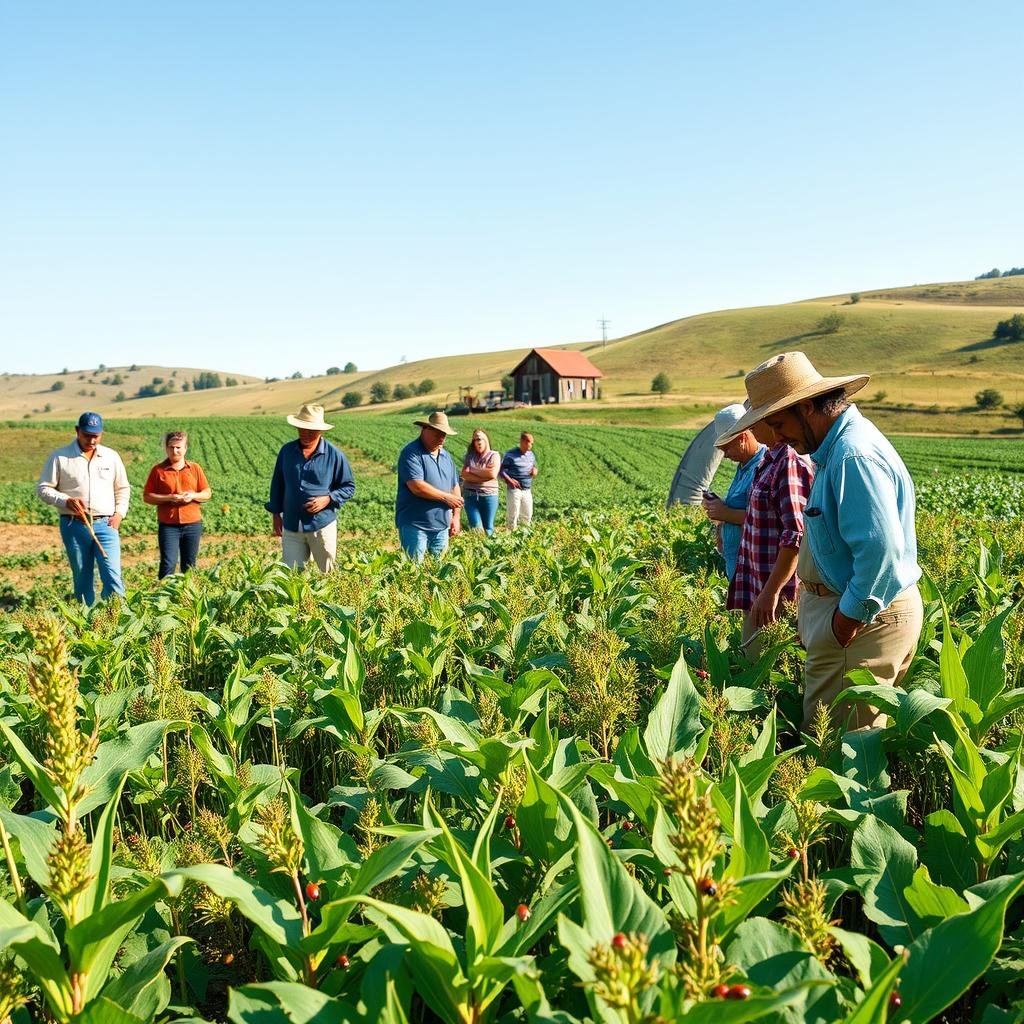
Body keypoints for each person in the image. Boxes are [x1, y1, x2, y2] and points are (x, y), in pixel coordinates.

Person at [739, 351, 923, 731]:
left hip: (861, 623)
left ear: (807, 407)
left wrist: (843, 622)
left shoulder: (852, 455)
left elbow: (881, 553)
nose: (777, 437)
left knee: (836, 752)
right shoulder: (838, 449)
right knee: (858, 745)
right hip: (862, 619)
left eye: (779, 423)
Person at [713, 414, 813, 660]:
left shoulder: (789, 463)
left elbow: (794, 535)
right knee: (752, 659)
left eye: (754, 424)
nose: (753, 430)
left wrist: (771, 592)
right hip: (758, 586)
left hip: (774, 593)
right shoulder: (769, 461)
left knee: (768, 664)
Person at [37, 411, 130, 604]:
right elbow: (44, 488)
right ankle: (86, 622)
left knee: (112, 575)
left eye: (96, 435)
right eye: (87, 435)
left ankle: (117, 619)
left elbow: (122, 488)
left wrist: (119, 515)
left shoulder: (111, 457)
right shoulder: (60, 457)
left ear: (101, 434)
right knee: (82, 577)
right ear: (77, 431)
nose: (92, 440)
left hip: (106, 525)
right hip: (74, 525)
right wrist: (65, 501)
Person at [266, 404, 355, 572]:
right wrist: (276, 514)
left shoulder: (334, 455)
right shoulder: (287, 451)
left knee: (327, 573)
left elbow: (348, 486)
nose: (306, 434)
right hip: (291, 524)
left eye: (311, 430)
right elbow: (278, 483)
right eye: (302, 429)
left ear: (321, 431)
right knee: (291, 575)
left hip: (321, 525)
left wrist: (328, 499)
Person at [701, 404, 766, 585]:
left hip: (755, 571)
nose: (726, 455)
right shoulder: (744, 466)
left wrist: (725, 513)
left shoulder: (763, 465)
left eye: (727, 448)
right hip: (740, 566)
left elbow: (767, 519)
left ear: (742, 438)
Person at [143, 430, 212, 578]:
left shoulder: (195, 468)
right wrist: (169, 498)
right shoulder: (158, 470)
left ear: (185, 448)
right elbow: (147, 496)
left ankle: (187, 597)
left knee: (189, 564)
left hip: (193, 524)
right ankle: (164, 597)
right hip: (168, 525)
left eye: (179, 447)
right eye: (171, 447)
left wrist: (193, 495)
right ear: (166, 448)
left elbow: (207, 492)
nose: (175, 450)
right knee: (168, 563)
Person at [395, 411, 463, 560]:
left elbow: (454, 486)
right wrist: (446, 498)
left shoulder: (446, 456)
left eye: (444, 434)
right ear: (425, 429)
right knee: (413, 569)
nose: (441, 438)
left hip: (442, 526)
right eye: (438, 433)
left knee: (440, 570)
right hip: (416, 525)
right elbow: (416, 486)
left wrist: (456, 517)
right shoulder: (411, 453)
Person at [461, 428, 501, 535]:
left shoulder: (494, 455)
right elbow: (464, 474)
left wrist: (472, 470)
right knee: (476, 528)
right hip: (470, 495)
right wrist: (484, 476)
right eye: (474, 440)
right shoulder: (470, 456)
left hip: (489, 495)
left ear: (486, 440)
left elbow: (492, 474)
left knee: (488, 528)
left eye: (479, 439)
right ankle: (478, 549)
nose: (477, 442)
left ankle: (489, 550)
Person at [501, 431, 538, 529]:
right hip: (514, 490)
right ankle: (511, 536)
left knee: (527, 514)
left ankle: (524, 535)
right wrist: (510, 480)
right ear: (522, 441)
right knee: (513, 515)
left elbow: (534, 467)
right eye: (529, 442)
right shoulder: (510, 454)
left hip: (527, 489)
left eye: (532, 443)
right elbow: (501, 471)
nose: (530, 445)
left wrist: (534, 471)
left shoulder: (531, 455)